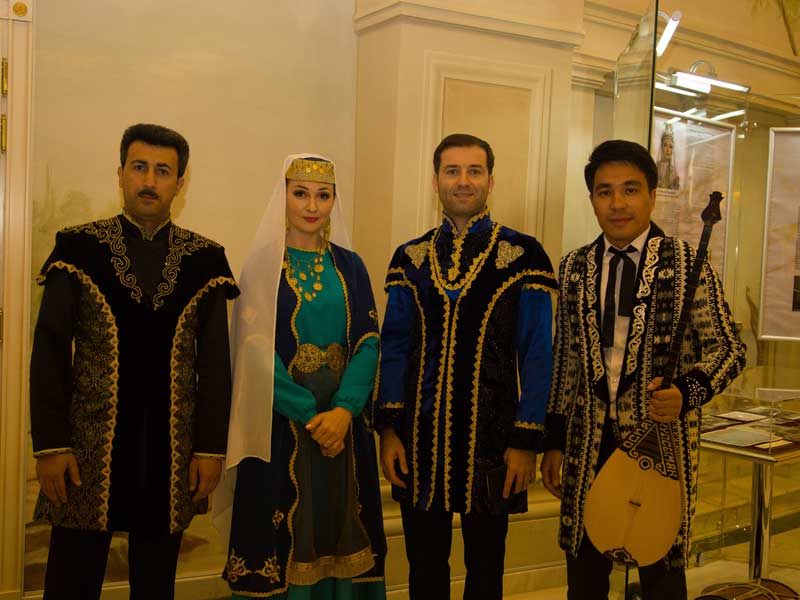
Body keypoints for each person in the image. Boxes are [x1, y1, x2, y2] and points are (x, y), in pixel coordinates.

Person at [30, 123, 239, 599]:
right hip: (86, 447)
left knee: (155, 584)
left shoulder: (204, 260)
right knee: (70, 582)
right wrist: (50, 445)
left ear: (180, 183)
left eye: (163, 171)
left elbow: (214, 365)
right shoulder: (78, 248)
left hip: (171, 451)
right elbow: (50, 350)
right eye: (139, 167)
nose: (149, 180)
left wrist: (209, 449)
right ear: (121, 173)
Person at [541, 139, 746, 600]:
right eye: (605, 191)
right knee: (585, 575)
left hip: (660, 445)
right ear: (592, 199)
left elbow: (729, 349)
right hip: (587, 445)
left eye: (630, 190)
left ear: (652, 196)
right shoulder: (574, 267)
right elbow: (566, 363)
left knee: (661, 576)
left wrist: (687, 392)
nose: (617, 203)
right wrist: (553, 440)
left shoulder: (688, 263)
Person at [375, 133, 557, 599]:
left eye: (474, 171)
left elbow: (538, 355)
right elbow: (394, 349)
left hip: (494, 444)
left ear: (490, 181)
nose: (463, 181)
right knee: (424, 567)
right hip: (419, 443)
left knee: (486, 569)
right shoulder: (410, 257)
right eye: (452, 171)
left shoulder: (524, 255)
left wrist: (525, 441)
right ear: (435, 180)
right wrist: (389, 431)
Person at [215, 154, 387, 599]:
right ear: (284, 197)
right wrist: (311, 416)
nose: (312, 206)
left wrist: (344, 411)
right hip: (280, 427)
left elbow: (368, 341)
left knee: (340, 525)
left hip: (343, 432)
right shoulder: (262, 266)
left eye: (323, 195)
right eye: (301, 193)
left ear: (334, 201)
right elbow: (254, 351)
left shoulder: (351, 266)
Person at [656, 123, 680, 190]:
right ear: (661, 147)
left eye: (670, 147)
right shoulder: (656, 166)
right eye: (665, 145)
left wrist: (676, 185)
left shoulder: (673, 170)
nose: (667, 150)